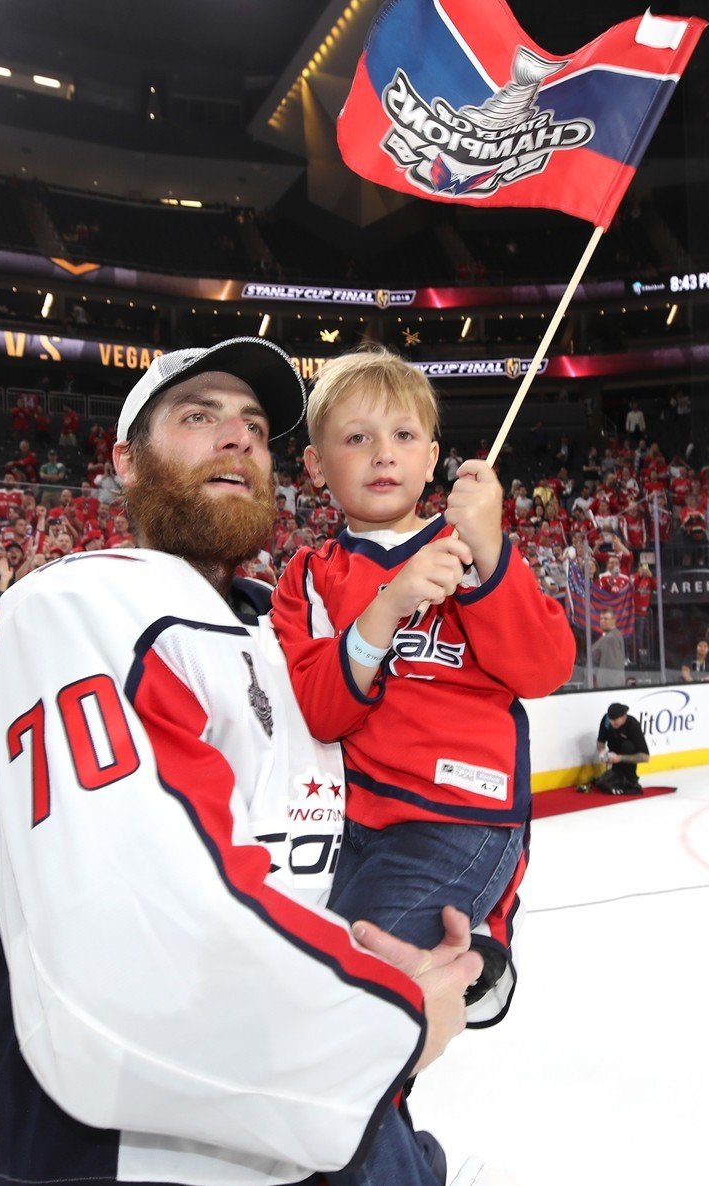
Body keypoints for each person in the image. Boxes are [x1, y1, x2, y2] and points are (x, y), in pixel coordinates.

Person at [0, 336, 486, 1186]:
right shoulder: (81, 603)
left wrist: (461, 950)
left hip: (313, 1128)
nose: (238, 437)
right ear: (126, 461)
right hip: (128, 1158)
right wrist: (393, 1013)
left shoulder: (298, 643)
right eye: (198, 416)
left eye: (253, 425)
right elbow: (155, 918)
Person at [271, 348, 576, 1042]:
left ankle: (486, 921)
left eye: (403, 436)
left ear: (434, 456)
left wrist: (492, 554)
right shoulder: (309, 578)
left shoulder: (470, 546)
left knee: (347, 1010)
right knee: (327, 1011)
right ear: (316, 465)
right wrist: (386, 607)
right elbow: (320, 714)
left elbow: (544, 669)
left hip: (453, 817)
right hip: (343, 828)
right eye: (356, 438)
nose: (383, 455)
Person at [588, 701, 650, 795]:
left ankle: (630, 780)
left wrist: (620, 758)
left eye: (615, 721)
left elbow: (645, 757)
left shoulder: (633, 724)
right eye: (610, 720)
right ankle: (616, 777)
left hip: (627, 758)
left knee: (627, 745)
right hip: (613, 757)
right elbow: (601, 741)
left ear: (624, 717)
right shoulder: (606, 721)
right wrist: (602, 752)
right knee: (603, 783)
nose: (612, 724)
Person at [591, 608, 626, 689]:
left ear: (613, 620)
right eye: (601, 619)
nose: (602, 621)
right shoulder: (609, 636)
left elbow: (611, 667)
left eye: (606, 619)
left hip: (608, 687)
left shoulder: (611, 638)